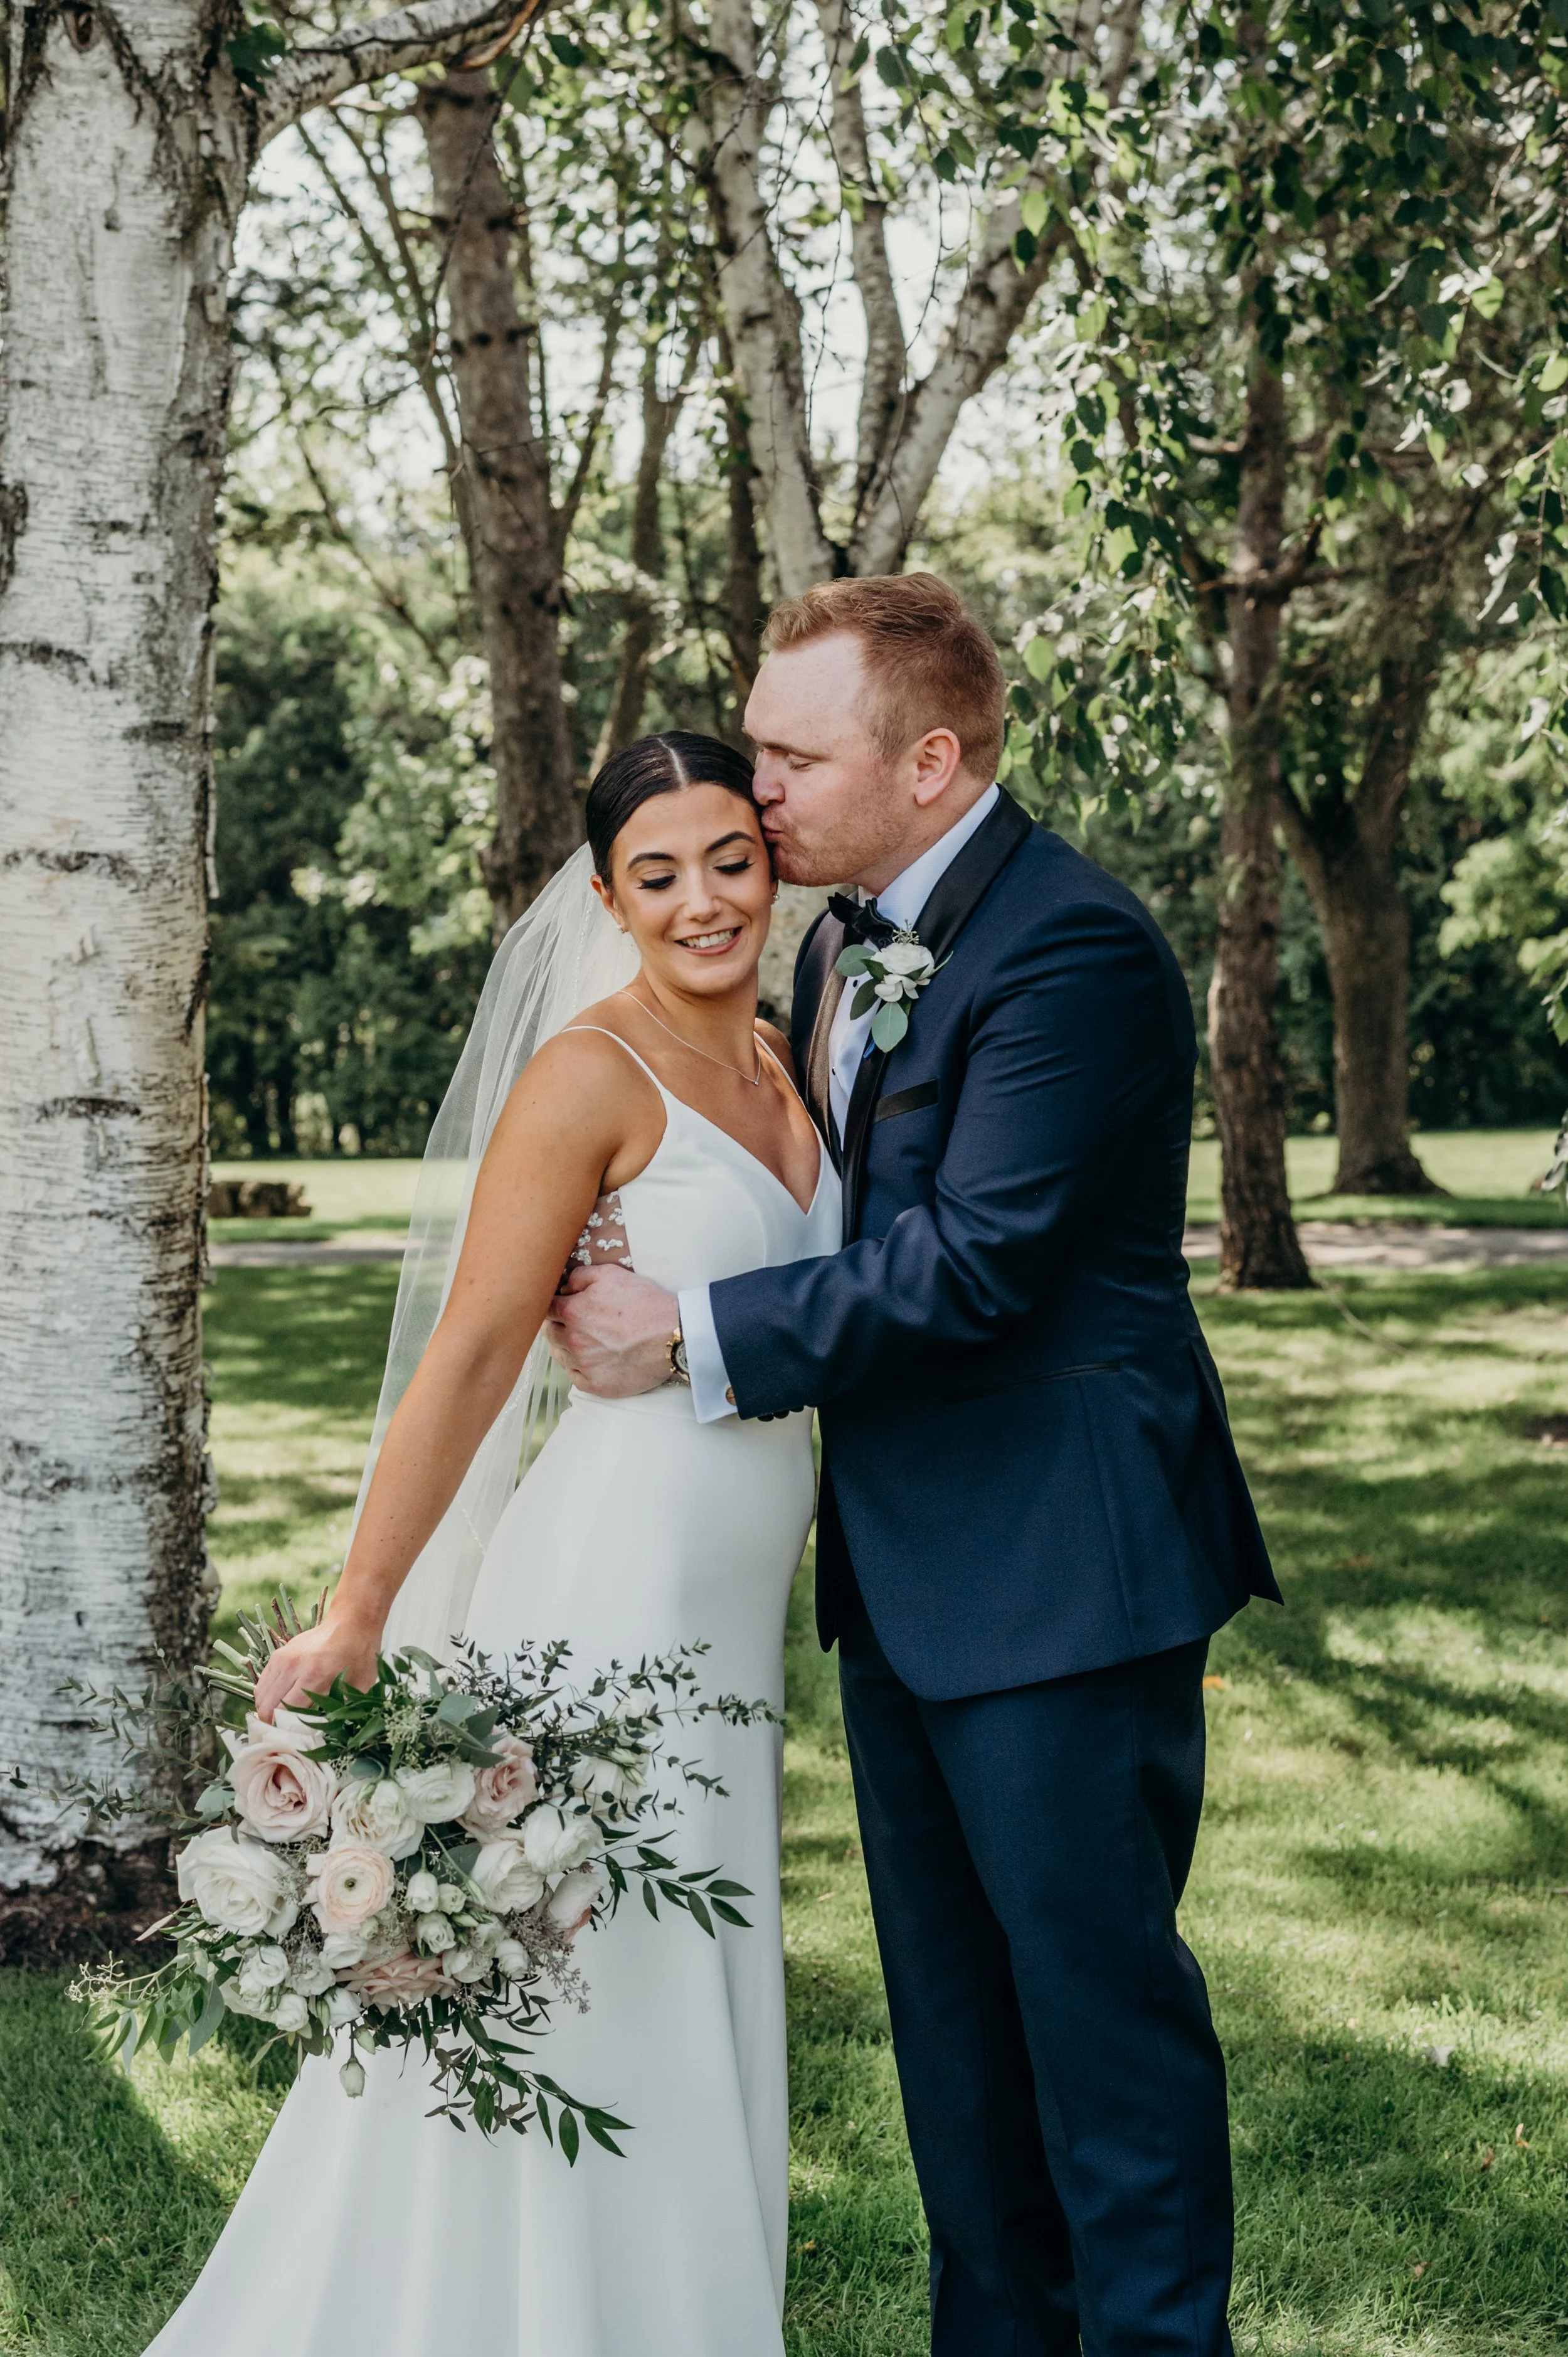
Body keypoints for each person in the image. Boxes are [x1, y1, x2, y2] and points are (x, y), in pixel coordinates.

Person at [549, 573, 1281, 2357]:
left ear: (931, 759)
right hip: (899, 1581)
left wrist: (691, 1336)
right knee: (957, 2058)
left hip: (1060, 1572)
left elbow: (976, 1260)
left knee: (1097, 2040)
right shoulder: (832, 943)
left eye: (792, 756)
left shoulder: (1076, 948)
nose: (756, 786)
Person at [142, 732, 839, 2357]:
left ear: (773, 861)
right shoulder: (590, 1077)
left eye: (728, 855)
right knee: (582, 1977)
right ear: (606, 897)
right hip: (606, 1590)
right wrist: (360, 1604)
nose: (702, 899)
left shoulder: (796, 1056)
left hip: (728, 1624)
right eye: (654, 874)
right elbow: (469, 1351)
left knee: (684, 1968)